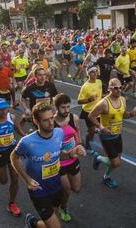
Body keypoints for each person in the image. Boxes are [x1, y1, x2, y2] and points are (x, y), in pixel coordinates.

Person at [10, 103, 86, 228]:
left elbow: (59, 154)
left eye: (51, 118)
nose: (51, 123)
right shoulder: (27, 141)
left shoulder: (59, 133)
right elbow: (14, 157)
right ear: (36, 121)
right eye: (45, 120)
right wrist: (27, 179)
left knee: (52, 216)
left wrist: (72, 153)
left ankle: (32, 222)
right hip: (38, 189)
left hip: (56, 185)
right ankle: (33, 222)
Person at [89, 78, 136, 188]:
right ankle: (98, 160)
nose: (119, 90)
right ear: (109, 89)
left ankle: (105, 174)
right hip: (106, 137)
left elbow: (123, 115)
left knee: (117, 159)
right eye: (116, 88)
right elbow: (91, 116)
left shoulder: (123, 100)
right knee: (116, 163)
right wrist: (101, 127)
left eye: (120, 87)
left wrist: (132, 114)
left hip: (118, 134)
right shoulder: (103, 103)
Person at [54, 94, 83, 222]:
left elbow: (77, 131)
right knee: (68, 190)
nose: (66, 110)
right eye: (63, 108)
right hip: (59, 162)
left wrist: (80, 144)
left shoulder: (74, 118)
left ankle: (58, 196)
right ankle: (63, 207)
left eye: (68, 107)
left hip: (73, 159)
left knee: (76, 188)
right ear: (56, 108)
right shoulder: (51, 122)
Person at [78, 66, 102, 154]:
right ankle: (87, 144)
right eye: (92, 72)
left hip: (98, 111)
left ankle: (91, 132)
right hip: (89, 112)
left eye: (96, 71)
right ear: (88, 74)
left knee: (96, 128)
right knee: (92, 130)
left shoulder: (99, 82)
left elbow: (100, 95)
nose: (95, 73)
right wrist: (89, 99)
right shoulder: (85, 86)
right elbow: (79, 101)